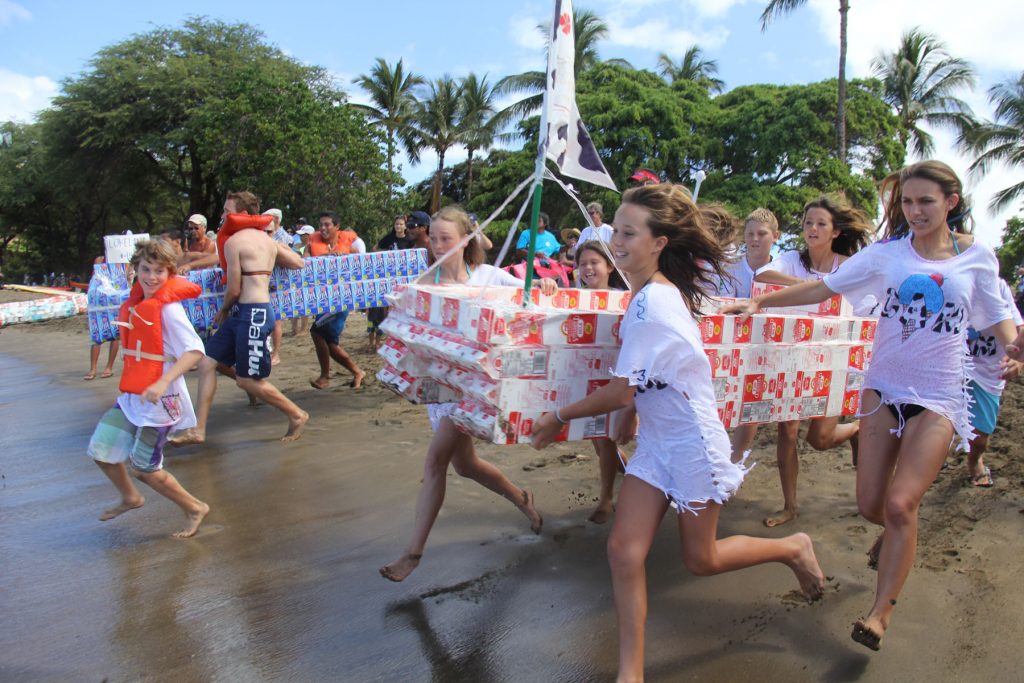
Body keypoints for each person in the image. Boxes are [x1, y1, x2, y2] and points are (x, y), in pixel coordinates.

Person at [721, 160, 1024, 652]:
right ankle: (898, 535)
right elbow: (824, 287)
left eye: (926, 201)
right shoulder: (887, 255)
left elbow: (999, 321)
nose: (915, 210)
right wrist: (762, 303)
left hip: (940, 396)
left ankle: (880, 613)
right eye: (908, 201)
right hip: (883, 389)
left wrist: (1015, 351)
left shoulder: (977, 259)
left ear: (951, 202)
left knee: (902, 503)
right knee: (871, 506)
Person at [531, 184, 825, 681]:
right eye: (614, 232)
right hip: (657, 444)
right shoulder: (645, 295)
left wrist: (559, 416)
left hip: (692, 444)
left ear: (659, 242)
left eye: (628, 233)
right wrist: (629, 418)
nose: (615, 242)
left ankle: (793, 547)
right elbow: (646, 381)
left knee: (702, 559)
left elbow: (622, 390)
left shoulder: (653, 304)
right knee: (624, 551)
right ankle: (631, 673)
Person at [379, 206, 557, 583]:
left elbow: (529, 298)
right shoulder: (426, 281)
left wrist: (543, 285)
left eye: (448, 238)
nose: (439, 245)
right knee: (465, 466)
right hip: (441, 388)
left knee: (434, 463)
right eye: (435, 238)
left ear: (465, 240)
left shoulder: (489, 276)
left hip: (475, 387)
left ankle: (413, 553)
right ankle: (522, 499)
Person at [751, 196, 873, 527]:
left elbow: (867, 304)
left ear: (835, 231)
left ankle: (858, 429)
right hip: (793, 357)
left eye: (821, 224)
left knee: (819, 440)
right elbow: (763, 274)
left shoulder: (848, 266)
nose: (813, 229)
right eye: (808, 223)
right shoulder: (792, 260)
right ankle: (790, 506)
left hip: (833, 360)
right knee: (787, 431)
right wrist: (810, 286)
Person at [86, 238, 209, 538]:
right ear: (135, 270)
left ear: (170, 274)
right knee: (102, 449)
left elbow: (194, 351)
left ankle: (195, 507)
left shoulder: (169, 310)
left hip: (161, 402)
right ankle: (130, 497)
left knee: (144, 467)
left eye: (159, 271)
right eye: (145, 269)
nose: (152, 277)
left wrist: (164, 381)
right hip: (133, 397)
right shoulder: (137, 303)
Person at [171, 191, 309, 444]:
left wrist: (222, 310)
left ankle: (297, 414)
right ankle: (198, 429)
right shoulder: (268, 241)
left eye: (226, 210)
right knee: (207, 363)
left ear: (242, 214)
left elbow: (234, 289)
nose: (222, 215)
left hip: (253, 313)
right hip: (246, 312)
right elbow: (299, 263)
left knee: (246, 380)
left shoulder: (234, 242)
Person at [575, 240, 628, 523]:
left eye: (594, 262)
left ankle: (606, 498)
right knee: (599, 443)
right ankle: (632, 478)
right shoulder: (573, 297)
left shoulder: (624, 298)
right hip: (585, 378)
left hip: (615, 378)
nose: (588, 268)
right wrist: (546, 287)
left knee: (606, 441)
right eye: (582, 264)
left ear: (609, 266)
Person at [963, 279, 1023, 486]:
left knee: (980, 437)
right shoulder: (942, 279)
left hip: (987, 370)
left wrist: (1017, 358)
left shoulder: (997, 287)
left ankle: (975, 459)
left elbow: (1017, 327)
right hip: (948, 367)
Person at [308, 211, 365, 390]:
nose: (323, 228)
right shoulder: (311, 244)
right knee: (329, 342)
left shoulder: (350, 245)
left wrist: (345, 257)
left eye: (327, 225)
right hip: (322, 299)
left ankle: (325, 376)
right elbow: (303, 262)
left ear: (337, 227)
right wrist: (325, 258)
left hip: (341, 299)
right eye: (321, 225)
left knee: (317, 332)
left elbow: (362, 263)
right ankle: (357, 372)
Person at [367, 216, 415, 351]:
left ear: (405, 226)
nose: (398, 227)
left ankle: (400, 336)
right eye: (396, 224)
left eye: (401, 224)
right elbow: (375, 248)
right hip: (388, 275)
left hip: (404, 276)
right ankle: (385, 336)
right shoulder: (388, 238)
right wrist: (383, 258)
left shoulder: (410, 240)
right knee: (387, 306)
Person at [262, 209, 291, 366]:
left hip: (277, 282)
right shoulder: (266, 234)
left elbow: (289, 258)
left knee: (276, 320)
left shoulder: (283, 237)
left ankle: (276, 353)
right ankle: (268, 351)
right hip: (265, 281)